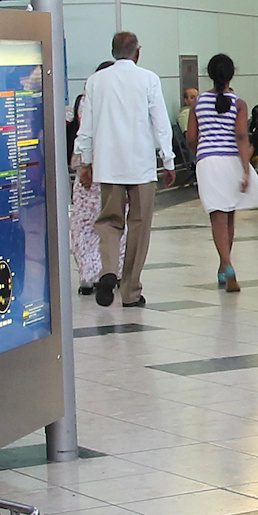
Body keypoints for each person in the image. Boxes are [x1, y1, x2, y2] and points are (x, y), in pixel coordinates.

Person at [74, 32, 175, 309]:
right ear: (137, 53)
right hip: (141, 166)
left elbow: (87, 126)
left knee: (109, 221)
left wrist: (85, 160)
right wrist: (168, 160)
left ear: (113, 51)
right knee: (139, 227)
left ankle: (108, 271)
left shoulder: (95, 82)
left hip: (108, 166)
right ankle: (130, 291)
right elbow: (160, 123)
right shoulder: (149, 79)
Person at [188, 54, 258, 291]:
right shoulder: (239, 104)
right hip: (231, 160)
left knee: (217, 216)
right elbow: (241, 136)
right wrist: (246, 169)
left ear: (209, 75)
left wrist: (200, 153)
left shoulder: (197, 104)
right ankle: (225, 265)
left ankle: (226, 265)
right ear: (232, 74)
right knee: (230, 214)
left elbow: (191, 138)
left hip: (208, 161)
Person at [68, 60, 112, 298]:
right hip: (114, 171)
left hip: (90, 171)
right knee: (114, 223)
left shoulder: (88, 100)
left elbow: (85, 134)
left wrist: (86, 165)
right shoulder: (121, 101)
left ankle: (89, 274)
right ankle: (110, 271)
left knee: (85, 224)